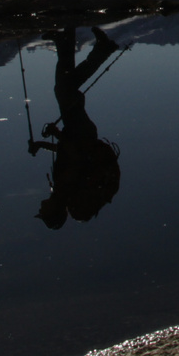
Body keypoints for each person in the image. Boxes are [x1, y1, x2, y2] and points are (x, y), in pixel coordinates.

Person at [29, 26, 123, 227]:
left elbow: (66, 154)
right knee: (64, 88)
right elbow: (76, 156)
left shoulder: (65, 193)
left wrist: (41, 144)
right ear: (54, 211)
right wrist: (56, 134)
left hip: (83, 134)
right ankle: (97, 48)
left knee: (65, 86)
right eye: (43, 212)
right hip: (80, 133)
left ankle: (66, 41)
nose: (40, 208)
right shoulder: (65, 190)